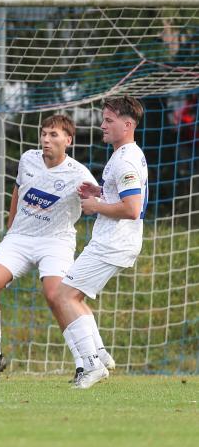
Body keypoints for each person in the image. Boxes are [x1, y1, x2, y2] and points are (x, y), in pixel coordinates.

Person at [0, 115, 114, 383]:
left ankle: (83, 362)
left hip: (56, 241)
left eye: (53, 135)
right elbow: (17, 191)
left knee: (56, 294)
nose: (46, 140)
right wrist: (10, 229)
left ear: (68, 140)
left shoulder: (78, 173)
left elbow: (101, 202)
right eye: (44, 134)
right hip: (19, 238)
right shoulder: (28, 158)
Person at [55, 97, 148, 389]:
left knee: (63, 296)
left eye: (108, 121)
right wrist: (101, 190)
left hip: (114, 243)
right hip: (113, 242)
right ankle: (100, 355)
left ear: (127, 124)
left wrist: (96, 205)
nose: (102, 125)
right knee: (72, 296)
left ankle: (93, 365)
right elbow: (124, 195)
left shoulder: (126, 159)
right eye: (103, 119)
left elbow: (132, 209)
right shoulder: (123, 154)